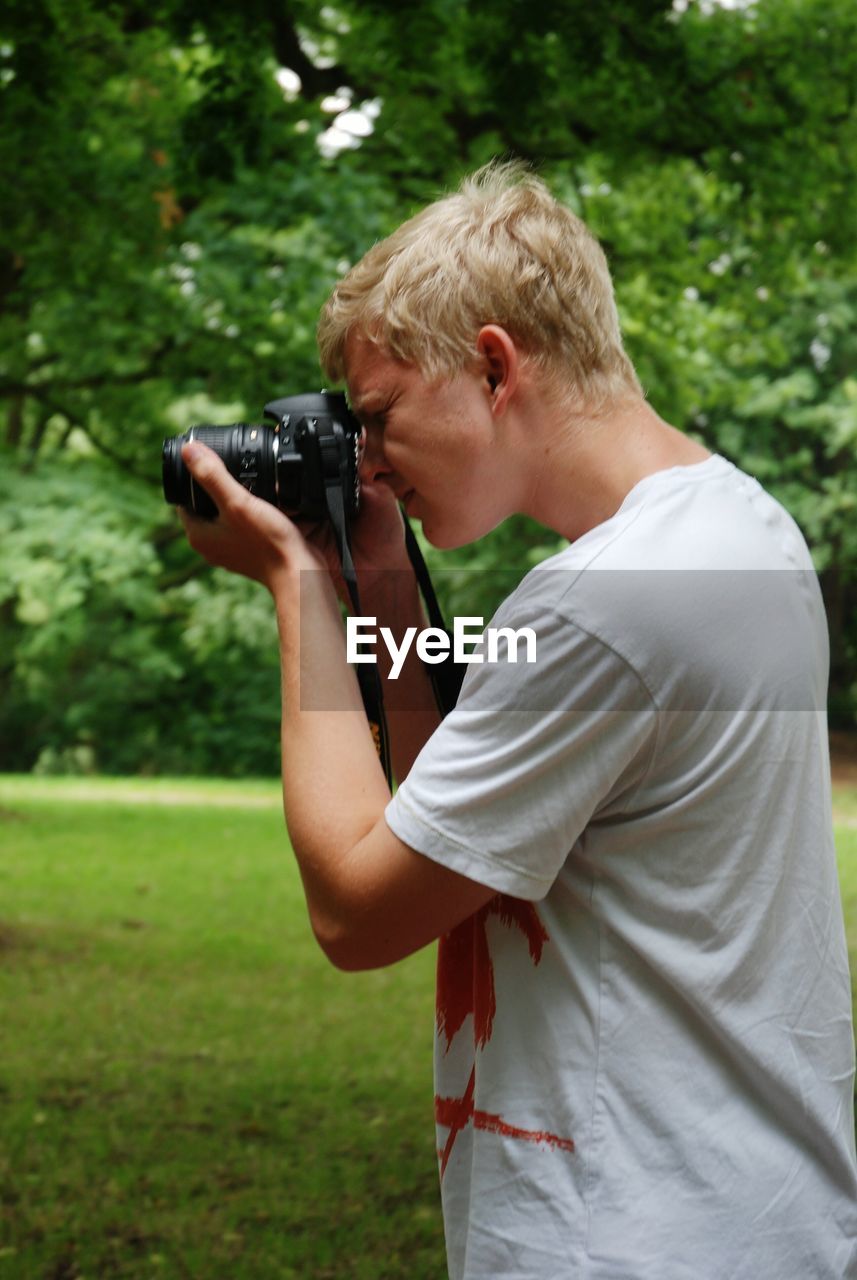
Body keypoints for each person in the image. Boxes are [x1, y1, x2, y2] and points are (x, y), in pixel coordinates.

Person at [178, 163, 857, 1278]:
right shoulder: (733, 528)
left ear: (492, 365)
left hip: (633, 1234)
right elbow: (471, 825)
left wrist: (297, 587)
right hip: (744, 1208)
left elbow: (357, 911)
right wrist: (386, 589)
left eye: (382, 415)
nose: (371, 457)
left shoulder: (602, 604)